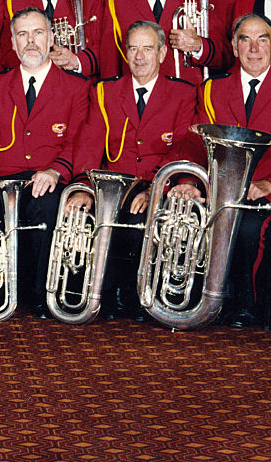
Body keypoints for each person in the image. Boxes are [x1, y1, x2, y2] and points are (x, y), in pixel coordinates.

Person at [178, 14, 271, 329]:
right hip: (218, 187)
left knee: (251, 228)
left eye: (262, 39)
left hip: (268, 188)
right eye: (245, 40)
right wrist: (189, 181)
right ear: (234, 48)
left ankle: (247, 304)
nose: (254, 48)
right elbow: (196, 143)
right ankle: (207, 300)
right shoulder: (212, 88)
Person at [0, 8, 89, 318]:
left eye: (37, 33)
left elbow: (79, 138)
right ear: (12, 41)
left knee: (46, 207)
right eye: (22, 34)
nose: (30, 41)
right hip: (2, 174)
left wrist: (56, 170)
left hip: (47, 174)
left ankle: (39, 295)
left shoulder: (76, 86)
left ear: (50, 38)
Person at [72, 19, 196, 317]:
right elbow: (90, 143)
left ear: (163, 53)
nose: (139, 57)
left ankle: (141, 294)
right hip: (115, 184)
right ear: (125, 53)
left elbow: (182, 146)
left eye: (147, 49)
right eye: (133, 49)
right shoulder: (105, 91)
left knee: (144, 215)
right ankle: (109, 291)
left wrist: (157, 187)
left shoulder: (184, 92)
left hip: (160, 183)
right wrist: (85, 188)